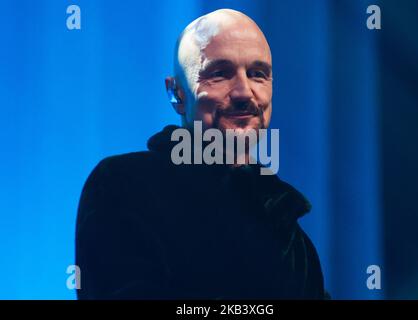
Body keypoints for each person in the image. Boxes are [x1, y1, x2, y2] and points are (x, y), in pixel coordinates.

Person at [76, 9, 326, 299]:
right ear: (177, 93)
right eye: (219, 74)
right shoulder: (124, 185)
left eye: (258, 74)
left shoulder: (291, 233)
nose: (245, 92)